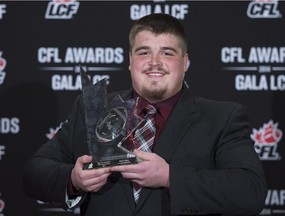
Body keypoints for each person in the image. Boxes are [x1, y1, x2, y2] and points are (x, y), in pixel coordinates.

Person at [23, 13, 267, 216]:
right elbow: (34, 174)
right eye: (143, 52)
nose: (154, 62)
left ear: (185, 62)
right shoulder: (92, 109)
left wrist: (170, 176)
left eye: (167, 53)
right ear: (130, 61)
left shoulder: (222, 118)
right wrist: (74, 180)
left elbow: (250, 192)